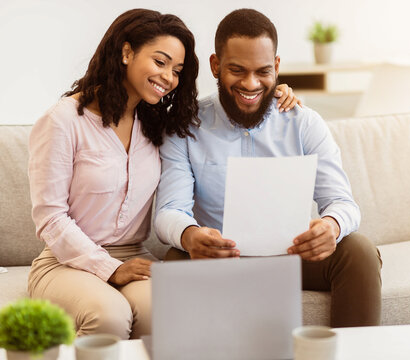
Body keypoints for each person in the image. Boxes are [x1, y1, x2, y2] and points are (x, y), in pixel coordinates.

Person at [27, 8, 300, 340]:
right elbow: (49, 217)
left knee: (172, 315)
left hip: (135, 255)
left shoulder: (158, 124)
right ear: (126, 52)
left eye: (177, 70)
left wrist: (275, 96)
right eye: (160, 62)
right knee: (109, 317)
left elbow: (240, 101)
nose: (169, 77)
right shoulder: (63, 120)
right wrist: (109, 268)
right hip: (65, 262)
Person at [155, 8, 382, 327]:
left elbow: (344, 203)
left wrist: (331, 226)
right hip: (220, 260)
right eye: (237, 70)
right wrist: (191, 235)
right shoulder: (186, 127)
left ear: (276, 67)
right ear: (216, 66)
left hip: (293, 256)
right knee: (176, 260)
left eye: (263, 71)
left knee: (357, 250)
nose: (251, 83)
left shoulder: (303, 123)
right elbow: (168, 210)